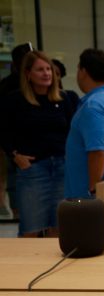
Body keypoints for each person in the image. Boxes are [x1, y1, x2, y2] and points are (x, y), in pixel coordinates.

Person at [0, 50, 74, 237]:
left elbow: (73, 132)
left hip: (62, 168)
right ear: (28, 74)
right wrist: (14, 155)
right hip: (33, 171)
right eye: (40, 69)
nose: (46, 73)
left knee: (59, 227)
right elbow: (3, 131)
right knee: (31, 228)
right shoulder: (15, 100)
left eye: (48, 69)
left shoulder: (64, 99)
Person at [64, 49, 104, 199]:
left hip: (88, 195)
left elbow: (97, 152)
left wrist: (93, 189)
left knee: (89, 224)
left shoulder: (94, 106)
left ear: (83, 71)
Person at [0, 42, 32, 220]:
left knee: (14, 180)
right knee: (14, 178)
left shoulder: (8, 84)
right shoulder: (14, 86)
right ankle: (18, 213)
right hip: (16, 144)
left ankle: (17, 213)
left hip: (14, 144)